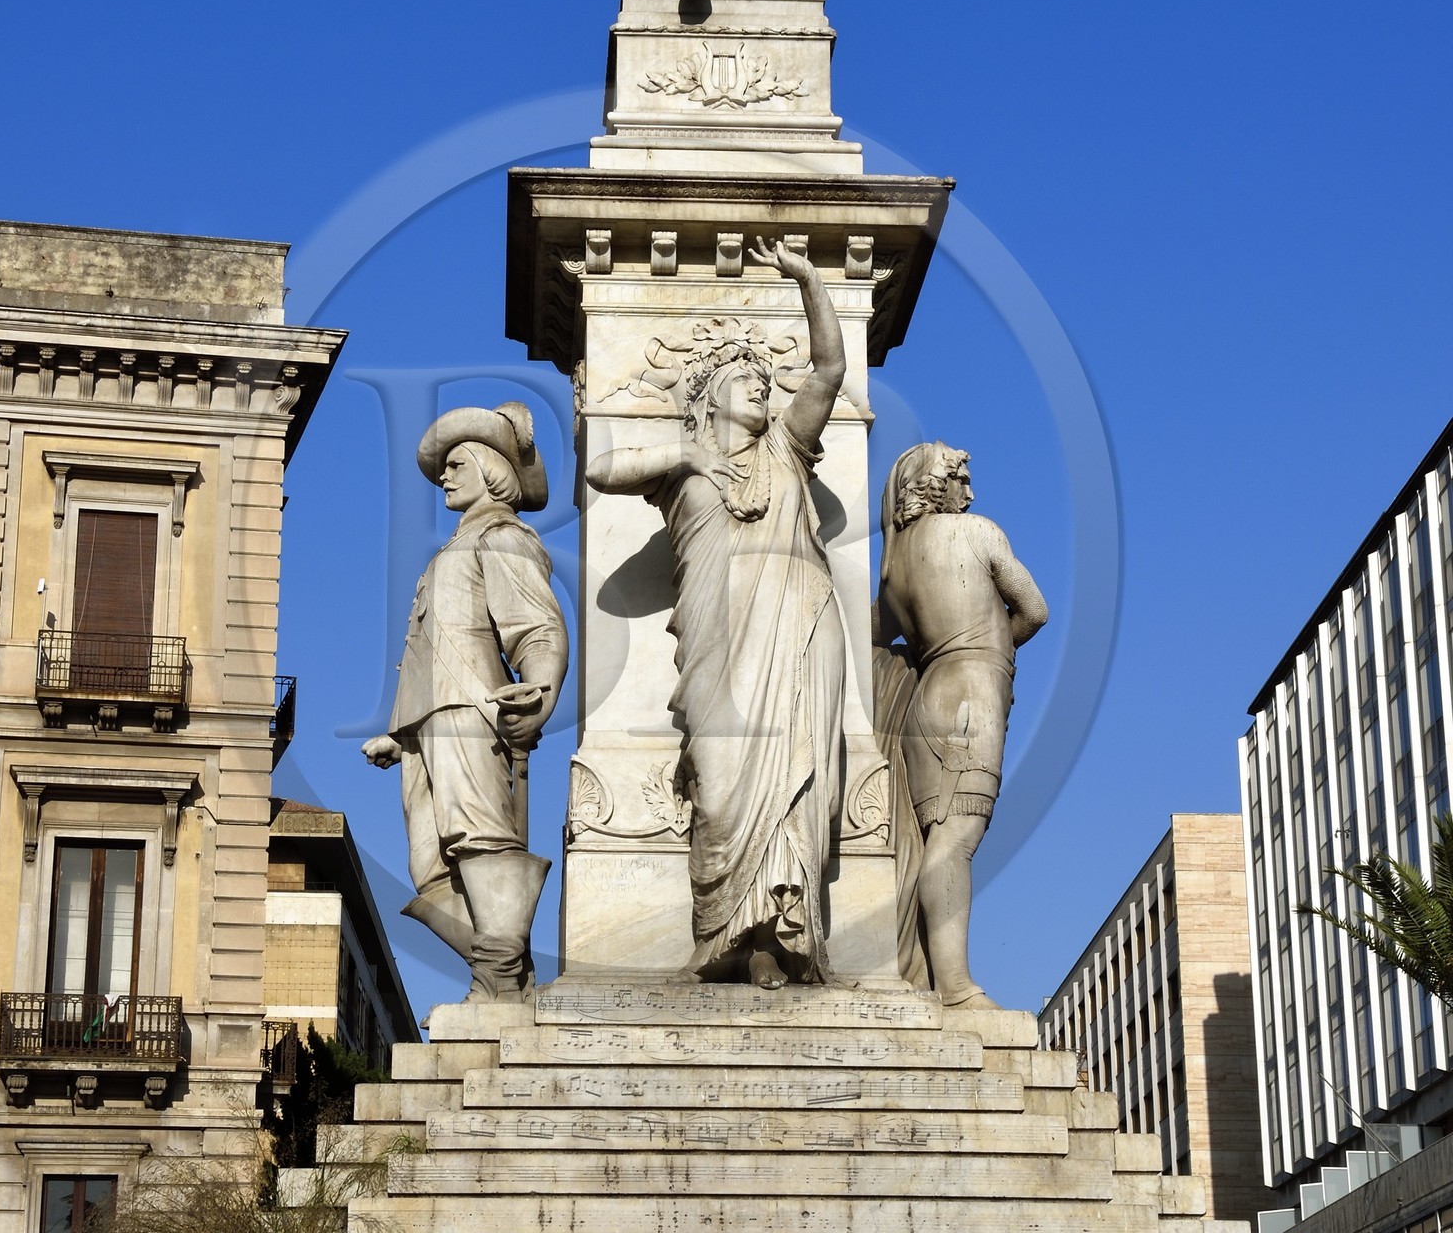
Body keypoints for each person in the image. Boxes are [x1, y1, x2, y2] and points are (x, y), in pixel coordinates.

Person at [586, 241, 847, 987]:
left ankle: (777, 935)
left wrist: (808, 277)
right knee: (721, 773)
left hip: (798, 628)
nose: (762, 388)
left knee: (792, 776)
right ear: (710, 393)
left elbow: (829, 370)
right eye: (747, 378)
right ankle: (722, 932)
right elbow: (603, 468)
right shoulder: (681, 468)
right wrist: (688, 455)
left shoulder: (790, 450)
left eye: (767, 380)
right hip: (715, 642)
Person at [363, 402, 568, 1000]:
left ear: (490, 470)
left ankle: (498, 977)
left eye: (455, 465)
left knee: (481, 841)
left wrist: (539, 690)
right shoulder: (452, 549)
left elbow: (537, 628)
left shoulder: (505, 538)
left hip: (470, 713)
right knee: (432, 868)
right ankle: (510, 976)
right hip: (424, 725)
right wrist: (398, 734)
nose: (444, 477)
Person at [873, 442, 1048, 1004]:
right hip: (973, 694)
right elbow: (1035, 609)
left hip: (925, 699)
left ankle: (932, 973)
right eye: (961, 480)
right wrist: (992, 647)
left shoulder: (894, 565)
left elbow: (878, 637)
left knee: (933, 841)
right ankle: (954, 985)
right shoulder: (978, 533)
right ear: (934, 484)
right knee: (956, 842)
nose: (969, 493)